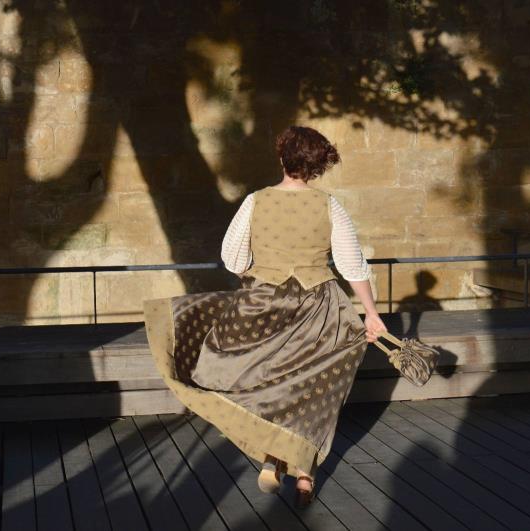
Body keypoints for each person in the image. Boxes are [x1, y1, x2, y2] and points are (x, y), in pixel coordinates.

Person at [142, 126, 386, 507]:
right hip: (320, 308)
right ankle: (305, 475)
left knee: (270, 383)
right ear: (316, 166)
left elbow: (233, 258)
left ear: (282, 159)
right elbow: (352, 265)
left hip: (264, 306)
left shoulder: (255, 202)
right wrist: (370, 313)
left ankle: (273, 457)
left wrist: (261, 273)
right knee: (314, 389)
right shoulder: (329, 205)